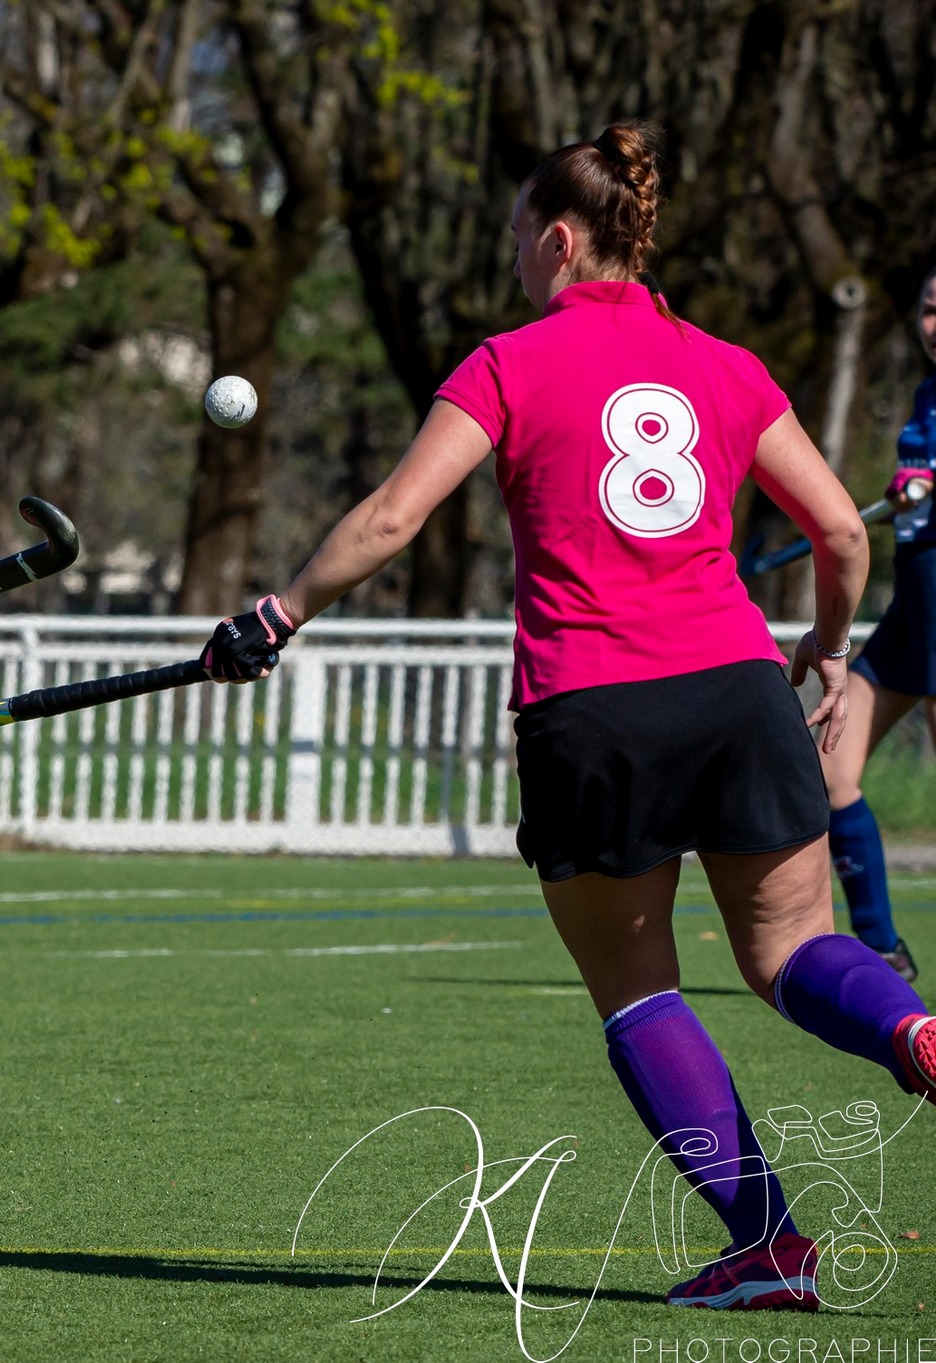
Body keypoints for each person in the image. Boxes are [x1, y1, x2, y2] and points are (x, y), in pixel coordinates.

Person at [201, 123, 936, 1312]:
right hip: (737, 687)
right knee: (795, 947)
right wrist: (829, 646)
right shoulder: (726, 364)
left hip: (592, 708)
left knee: (640, 988)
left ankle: (769, 1244)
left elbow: (393, 519)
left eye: (513, 243)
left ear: (557, 238)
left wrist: (274, 616)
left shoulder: (505, 362)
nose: (509, 267)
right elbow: (841, 535)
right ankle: (916, 1035)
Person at [815, 267, 936, 983]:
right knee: (830, 772)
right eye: (928, 310)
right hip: (912, 615)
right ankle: (880, 946)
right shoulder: (925, 395)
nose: (933, 325)